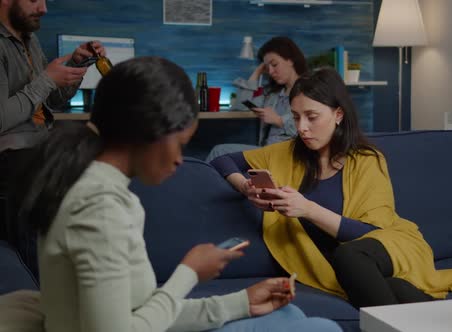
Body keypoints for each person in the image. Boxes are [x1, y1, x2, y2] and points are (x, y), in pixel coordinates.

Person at [2, 57, 341, 332]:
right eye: (179, 143)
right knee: (322, 328)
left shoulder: (90, 187)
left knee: (290, 317)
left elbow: (138, 313)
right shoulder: (100, 207)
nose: (181, 158)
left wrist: (238, 303)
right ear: (147, 131)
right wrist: (188, 274)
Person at [211, 68, 452, 308]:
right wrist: (246, 187)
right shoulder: (285, 153)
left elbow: (370, 231)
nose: (301, 127)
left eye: (312, 117)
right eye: (296, 117)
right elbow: (223, 158)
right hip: (349, 271)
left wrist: (308, 209)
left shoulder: (366, 160)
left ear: (338, 115)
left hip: (388, 245)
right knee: (393, 289)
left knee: (350, 255)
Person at [0, 0, 105, 244]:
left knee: (103, 157)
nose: (44, 8)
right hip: (10, 153)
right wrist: (47, 78)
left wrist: (76, 65)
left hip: (39, 143)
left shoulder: (30, 39)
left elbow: (52, 102)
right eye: (35, 0)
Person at [205, 36, 306, 162]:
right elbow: (239, 107)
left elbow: (312, 127)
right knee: (219, 153)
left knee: (219, 152)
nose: (271, 71)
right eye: (267, 67)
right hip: (266, 151)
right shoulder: (273, 95)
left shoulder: (308, 91)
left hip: (287, 155)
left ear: (290, 60)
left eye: (274, 64)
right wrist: (256, 73)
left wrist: (279, 120)